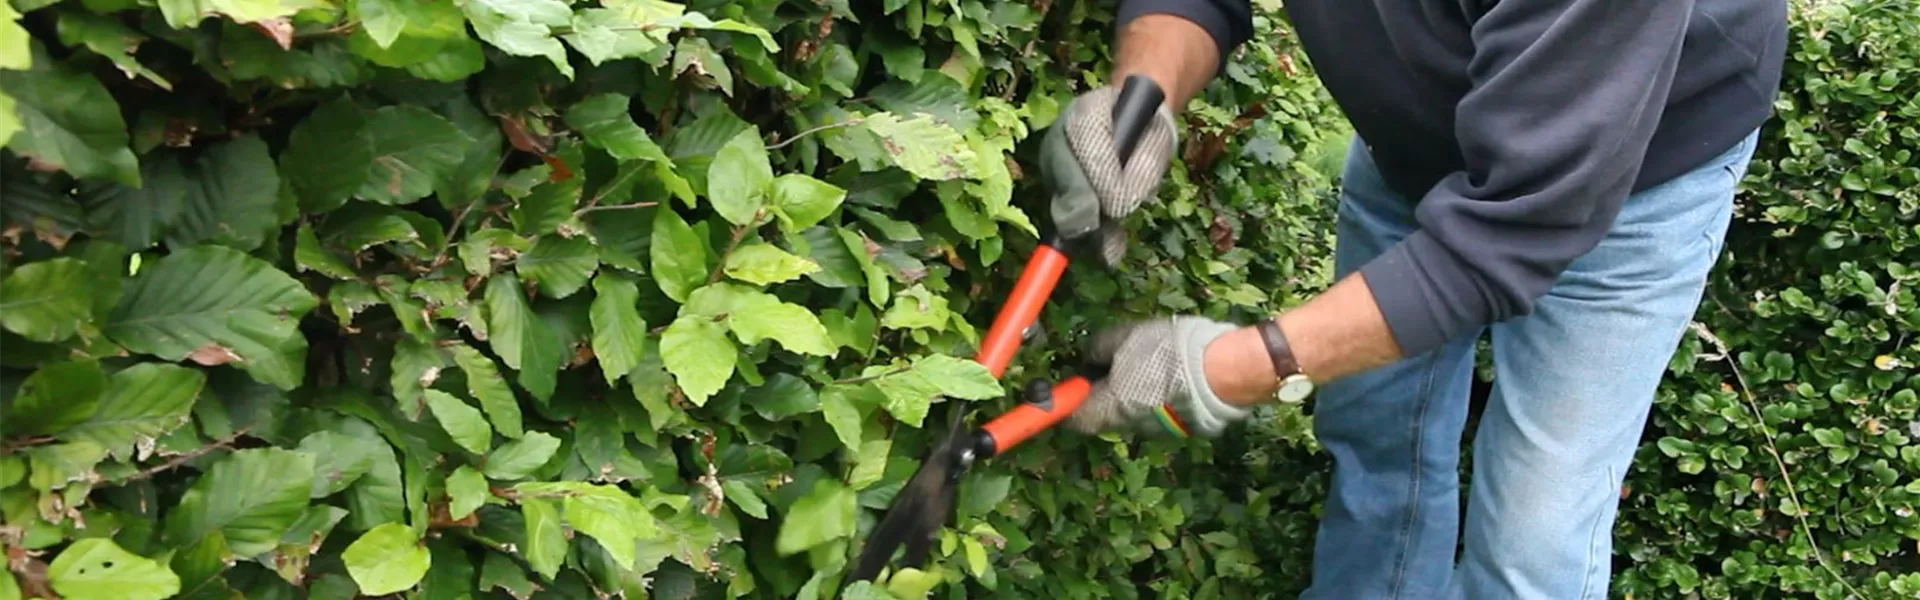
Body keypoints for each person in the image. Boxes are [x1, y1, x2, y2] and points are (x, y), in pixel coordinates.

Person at [1038, 0, 1786, 597]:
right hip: (1422, 131)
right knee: (1374, 433)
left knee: (1533, 538)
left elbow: (1512, 232)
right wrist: (1143, 99)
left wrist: (1229, 368)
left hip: (1635, 165)